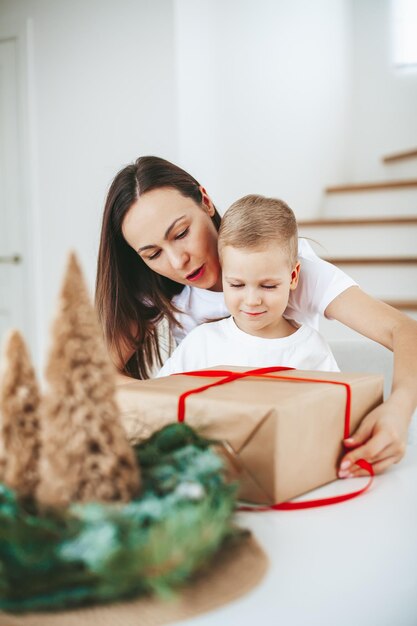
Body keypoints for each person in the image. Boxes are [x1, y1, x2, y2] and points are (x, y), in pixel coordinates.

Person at [95, 155, 417, 479]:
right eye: (153, 254)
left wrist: (398, 409)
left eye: (181, 233)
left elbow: (402, 329)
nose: (178, 261)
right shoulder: (160, 293)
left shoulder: (288, 270)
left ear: (205, 201)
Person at [157, 194, 340, 376]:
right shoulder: (200, 343)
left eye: (268, 286)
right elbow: (160, 395)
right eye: (237, 285)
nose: (252, 301)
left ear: (293, 276)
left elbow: (337, 401)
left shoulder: (312, 349)